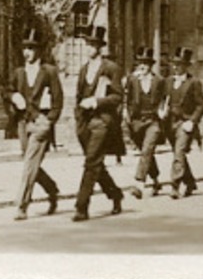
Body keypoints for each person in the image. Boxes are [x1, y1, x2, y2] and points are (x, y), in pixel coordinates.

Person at [72, 26, 126, 221]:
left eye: (92, 44)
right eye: (87, 44)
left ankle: (81, 206)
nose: (88, 47)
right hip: (85, 123)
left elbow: (118, 96)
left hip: (102, 122)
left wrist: (96, 101)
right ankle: (115, 194)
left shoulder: (111, 68)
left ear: (100, 47)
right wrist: (79, 119)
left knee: (90, 161)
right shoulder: (83, 70)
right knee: (96, 164)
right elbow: (78, 96)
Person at [9, 28, 62, 220]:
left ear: (39, 51)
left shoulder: (48, 72)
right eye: (25, 48)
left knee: (29, 164)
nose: (27, 52)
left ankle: (21, 206)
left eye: (31, 48)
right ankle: (52, 189)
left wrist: (49, 121)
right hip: (23, 123)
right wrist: (13, 96)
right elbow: (7, 91)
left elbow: (58, 100)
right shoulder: (19, 72)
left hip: (40, 123)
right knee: (30, 163)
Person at [163, 47, 203, 197]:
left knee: (179, 151)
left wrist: (193, 121)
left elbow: (201, 105)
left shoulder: (194, 82)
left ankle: (175, 185)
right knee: (177, 153)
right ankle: (190, 183)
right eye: (174, 64)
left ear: (186, 66)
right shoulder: (168, 81)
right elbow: (163, 100)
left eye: (179, 64)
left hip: (184, 122)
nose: (176, 67)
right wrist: (161, 111)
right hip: (169, 123)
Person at [125, 46, 166, 197]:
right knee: (147, 152)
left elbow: (164, 98)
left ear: (151, 65)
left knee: (147, 149)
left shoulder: (159, 80)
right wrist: (126, 113)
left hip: (153, 121)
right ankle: (155, 180)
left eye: (146, 63)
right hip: (136, 122)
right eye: (140, 62)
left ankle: (139, 184)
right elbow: (127, 99)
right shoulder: (132, 79)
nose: (142, 66)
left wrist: (162, 110)